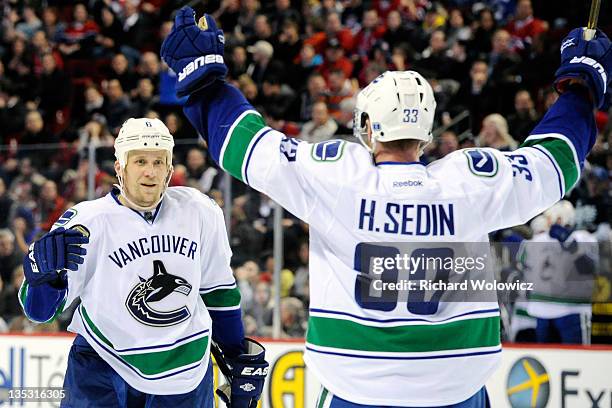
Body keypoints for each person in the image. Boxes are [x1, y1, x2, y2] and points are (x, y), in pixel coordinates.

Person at [161, 8, 611, 407]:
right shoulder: (468, 181)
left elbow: (244, 145)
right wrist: (581, 86)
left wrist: (204, 80)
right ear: (427, 129)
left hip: (355, 385)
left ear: (369, 128)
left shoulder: (337, 177)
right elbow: (555, 162)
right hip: (456, 385)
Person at [20, 118, 268, 408]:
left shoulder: (200, 211)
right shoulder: (85, 223)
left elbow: (219, 291)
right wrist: (45, 281)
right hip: (103, 362)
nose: (150, 172)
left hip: (184, 368)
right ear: (119, 167)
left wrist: (236, 350)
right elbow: (40, 313)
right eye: (139, 161)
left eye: (159, 162)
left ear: (170, 169)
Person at [521, 200, 598, 344]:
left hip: (570, 310)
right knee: (547, 361)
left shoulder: (582, 238)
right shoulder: (536, 240)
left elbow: (589, 269)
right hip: (542, 310)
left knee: (577, 360)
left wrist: (569, 243)